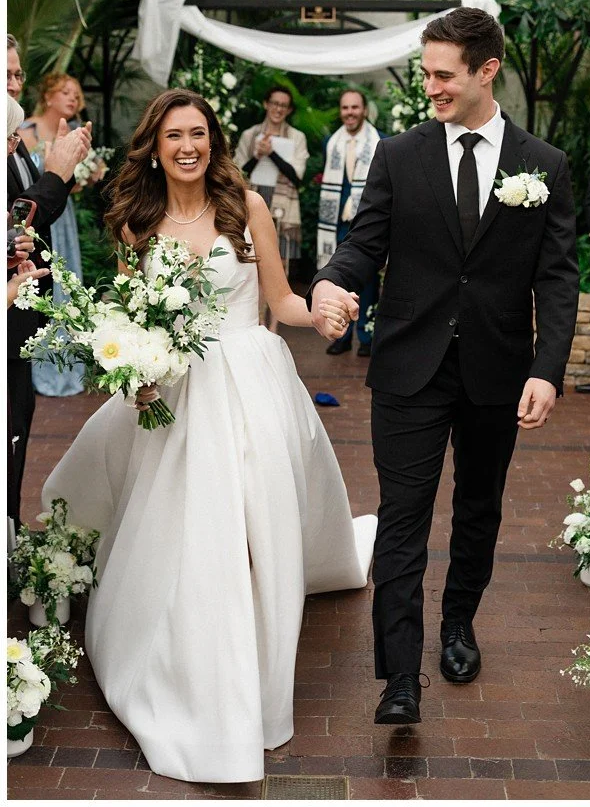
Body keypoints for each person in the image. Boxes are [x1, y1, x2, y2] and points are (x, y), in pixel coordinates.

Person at [40, 89, 375, 783]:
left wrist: (322, 314)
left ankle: (254, 655)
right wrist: (134, 370)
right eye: (173, 137)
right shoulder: (138, 221)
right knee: (197, 535)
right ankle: (197, 676)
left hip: (251, 380)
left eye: (197, 133)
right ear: (155, 148)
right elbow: (132, 321)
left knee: (255, 524)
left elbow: (279, 300)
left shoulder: (244, 206)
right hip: (179, 391)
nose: (187, 146)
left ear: (213, 141)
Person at [307, 7, 579, 727]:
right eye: (426, 72)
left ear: (486, 71)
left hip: (497, 370)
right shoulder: (398, 155)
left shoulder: (543, 165)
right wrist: (333, 281)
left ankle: (458, 625)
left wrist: (547, 368)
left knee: (479, 510)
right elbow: (363, 244)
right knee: (401, 518)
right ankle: (399, 675)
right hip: (408, 367)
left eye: (442, 74)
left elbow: (556, 279)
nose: (429, 86)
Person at [7, 40, 92, 528]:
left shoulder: (14, 139)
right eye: (7, 76)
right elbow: (16, 228)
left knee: (17, 434)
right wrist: (57, 173)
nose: (15, 86)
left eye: (19, 75)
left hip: (20, 318)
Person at [17, 71, 97, 396]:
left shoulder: (77, 134)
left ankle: (66, 365)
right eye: (65, 92)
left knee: (66, 284)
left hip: (63, 221)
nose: (72, 99)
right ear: (48, 96)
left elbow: (72, 186)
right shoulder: (25, 130)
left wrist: (86, 170)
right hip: (31, 219)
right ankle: (38, 364)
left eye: (76, 95)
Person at [234, 84, 309, 330]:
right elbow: (237, 176)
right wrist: (257, 154)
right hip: (253, 205)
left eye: (283, 106)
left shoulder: (297, 137)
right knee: (251, 268)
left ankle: (274, 327)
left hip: (282, 209)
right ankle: (256, 323)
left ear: (288, 110)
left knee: (280, 268)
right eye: (274, 103)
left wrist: (272, 153)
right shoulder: (249, 135)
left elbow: (297, 176)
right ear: (266, 104)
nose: (278, 109)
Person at [317, 89, 382, 356]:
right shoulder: (330, 144)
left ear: (364, 110)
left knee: (367, 281)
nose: (350, 113)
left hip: (367, 220)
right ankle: (341, 335)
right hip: (337, 223)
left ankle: (367, 337)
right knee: (339, 279)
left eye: (355, 107)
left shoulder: (381, 142)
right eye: (345, 108)